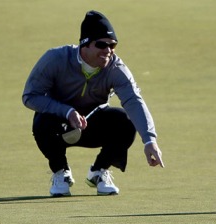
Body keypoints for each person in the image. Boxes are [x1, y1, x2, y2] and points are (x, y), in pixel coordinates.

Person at [22, 10, 164, 197]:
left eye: (113, 45)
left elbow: (134, 101)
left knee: (126, 121)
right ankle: (60, 172)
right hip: (59, 125)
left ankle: (99, 172)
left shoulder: (116, 68)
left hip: (93, 124)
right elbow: (30, 96)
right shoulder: (55, 59)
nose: (108, 50)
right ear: (85, 45)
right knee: (42, 122)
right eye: (101, 44)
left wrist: (149, 140)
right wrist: (67, 111)